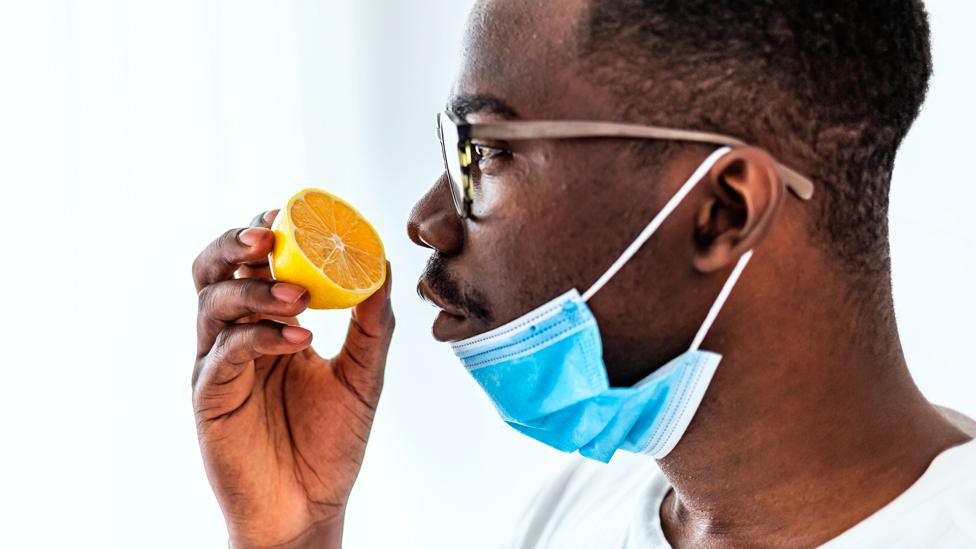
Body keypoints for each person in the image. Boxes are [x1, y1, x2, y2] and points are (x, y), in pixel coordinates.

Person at [190, 0, 976, 547]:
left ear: (721, 210)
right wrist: (291, 535)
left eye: (489, 152)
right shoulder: (581, 514)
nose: (428, 219)